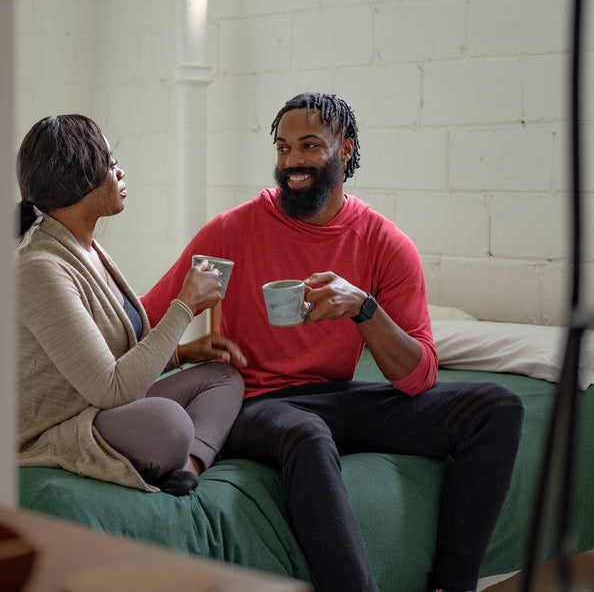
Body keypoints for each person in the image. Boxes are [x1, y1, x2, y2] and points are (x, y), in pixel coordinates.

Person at [140, 93, 525, 591]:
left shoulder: (384, 243)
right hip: (254, 402)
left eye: (307, 146)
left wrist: (363, 308)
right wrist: (179, 351)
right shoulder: (233, 230)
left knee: (496, 407)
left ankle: (453, 584)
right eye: (282, 148)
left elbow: (418, 376)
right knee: (307, 433)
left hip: (336, 397)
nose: (291, 162)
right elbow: (145, 316)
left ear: (344, 150)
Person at [15, 114, 246, 496]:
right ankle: (173, 457)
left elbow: (114, 366)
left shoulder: (86, 249)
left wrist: (183, 354)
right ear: (79, 177)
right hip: (62, 427)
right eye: (110, 163)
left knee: (223, 378)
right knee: (168, 424)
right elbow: (112, 390)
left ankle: (186, 468)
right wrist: (184, 305)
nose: (119, 173)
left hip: (101, 410)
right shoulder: (42, 270)